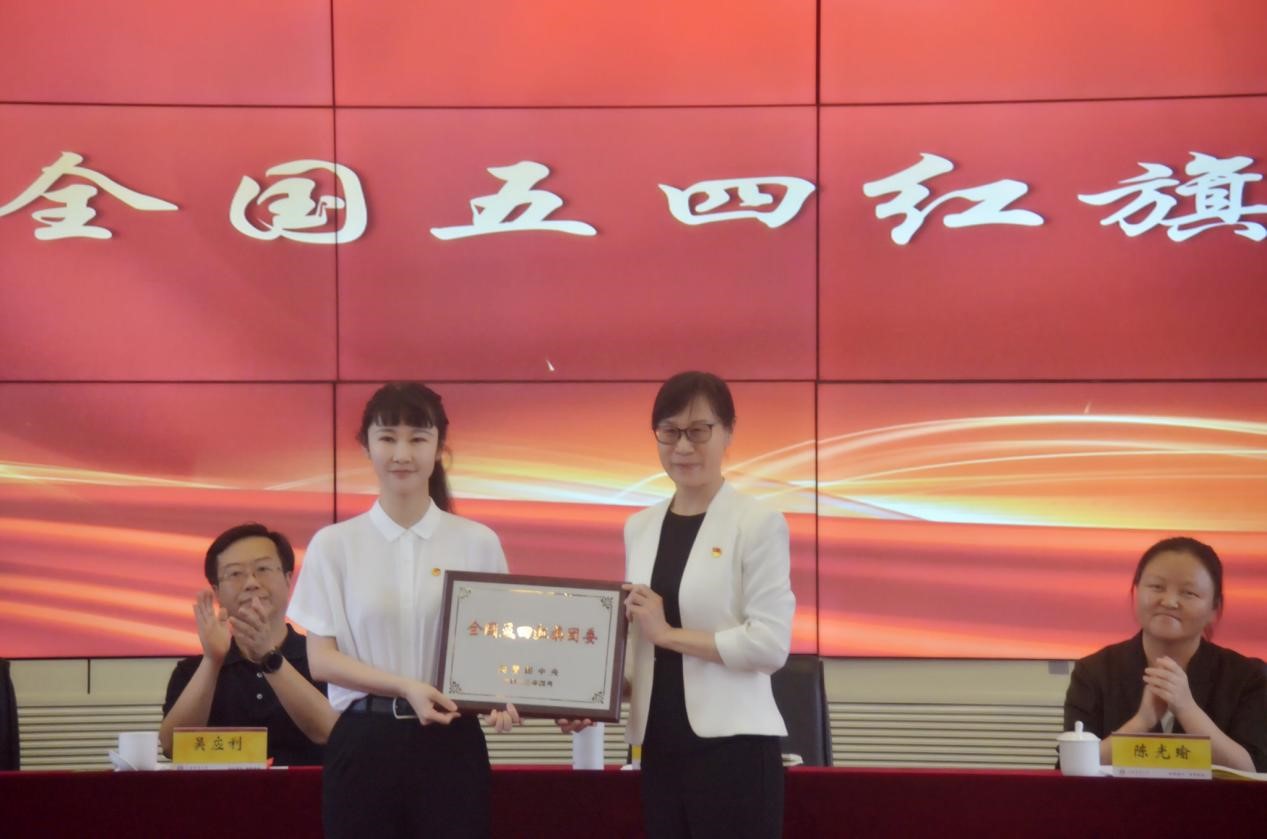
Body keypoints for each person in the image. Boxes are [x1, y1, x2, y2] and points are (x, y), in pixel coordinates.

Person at [565, 371, 795, 839]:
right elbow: (642, 650)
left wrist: (668, 634)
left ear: (728, 432)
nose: (683, 447)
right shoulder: (640, 527)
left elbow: (769, 645)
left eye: (699, 430)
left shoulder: (758, 523)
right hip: (658, 746)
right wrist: (593, 697)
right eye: (669, 432)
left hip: (733, 749)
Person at [287, 382, 518, 839]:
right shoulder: (335, 545)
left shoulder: (478, 543)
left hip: (452, 743)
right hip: (364, 742)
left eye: (418, 438)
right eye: (388, 437)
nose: (402, 454)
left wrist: (505, 693)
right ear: (366, 446)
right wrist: (406, 687)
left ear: (439, 447)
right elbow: (321, 661)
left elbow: (496, 648)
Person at [1063, 536, 1267, 771]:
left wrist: (1187, 709)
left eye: (1189, 593)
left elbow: (1255, 770)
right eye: (1156, 587)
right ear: (1135, 592)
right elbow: (1072, 766)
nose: (1169, 601)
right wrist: (1142, 722)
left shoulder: (1247, 678)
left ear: (1214, 607)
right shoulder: (1094, 672)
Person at [159, 523, 336, 766]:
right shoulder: (191, 671)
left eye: (263, 569)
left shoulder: (323, 658)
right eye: (235, 574)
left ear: (288, 579)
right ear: (217, 591)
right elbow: (172, 746)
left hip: (308, 790)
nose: (251, 582)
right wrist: (212, 661)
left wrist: (269, 658)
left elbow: (331, 731)